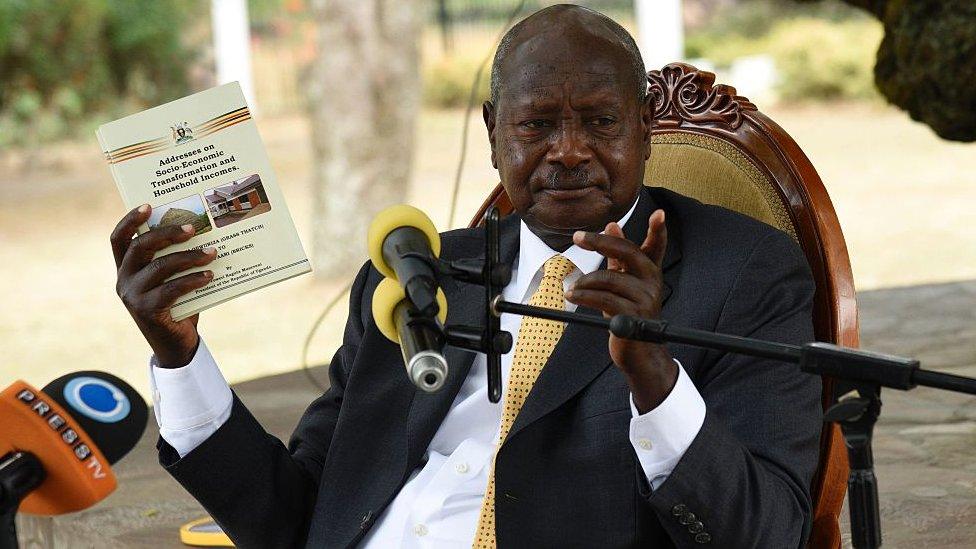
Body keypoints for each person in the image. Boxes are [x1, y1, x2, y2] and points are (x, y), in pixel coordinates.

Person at [110, 5, 822, 548]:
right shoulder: (414, 275)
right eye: (537, 125)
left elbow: (768, 531)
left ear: (643, 128)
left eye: (600, 121)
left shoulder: (742, 274)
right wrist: (179, 356)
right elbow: (296, 518)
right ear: (491, 132)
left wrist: (654, 380)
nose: (569, 151)